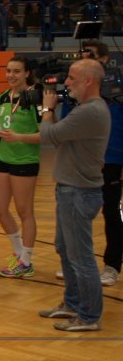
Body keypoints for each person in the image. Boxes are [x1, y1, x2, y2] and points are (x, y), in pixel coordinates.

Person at [0, 59, 110, 331]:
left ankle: (89, 316)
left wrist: (47, 109)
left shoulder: (90, 111)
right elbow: (59, 135)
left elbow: (48, 136)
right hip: (69, 189)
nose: (67, 83)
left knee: (81, 256)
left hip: (79, 192)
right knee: (64, 248)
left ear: (89, 81)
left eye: (72, 78)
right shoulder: (85, 109)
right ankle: (72, 303)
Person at [56, 42, 123, 287]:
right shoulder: (75, 95)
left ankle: (112, 265)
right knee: (73, 218)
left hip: (111, 160)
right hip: (78, 163)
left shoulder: (116, 92)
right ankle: (76, 265)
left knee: (111, 213)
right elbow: (63, 128)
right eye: (82, 55)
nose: (85, 58)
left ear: (104, 59)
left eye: (91, 55)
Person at [0, 56, 40, 278]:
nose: (11, 75)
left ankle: (26, 261)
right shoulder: (3, 97)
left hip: (25, 161)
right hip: (4, 159)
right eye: (8, 70)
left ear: (27, 73)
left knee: (24, 211)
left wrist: (19, 137)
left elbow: (46, 134)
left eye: (16, 71)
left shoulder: (34, 98)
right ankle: (19, 252)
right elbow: (6, 125)